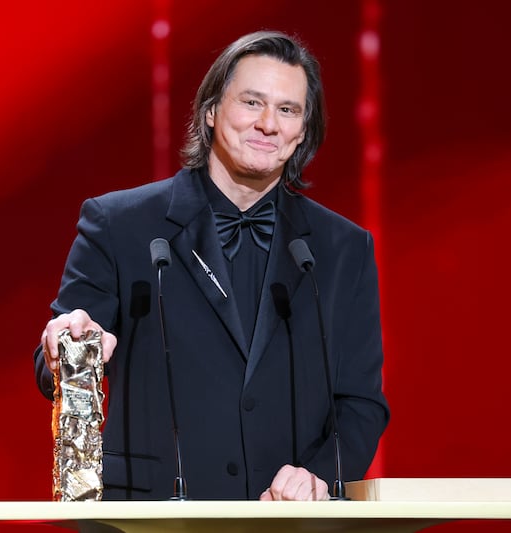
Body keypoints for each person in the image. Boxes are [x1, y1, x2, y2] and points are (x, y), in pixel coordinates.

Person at [35, 30, 389, 501]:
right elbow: (55, 362)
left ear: (303, 131)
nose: (268, 124)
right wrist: (66, 345)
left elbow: (361, 402)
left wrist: (320, 477)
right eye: (251, 102)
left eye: (288, 110)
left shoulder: (344, 248)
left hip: (288, 521)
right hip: (147, 517)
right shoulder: (118, 225)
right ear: (210, 112)